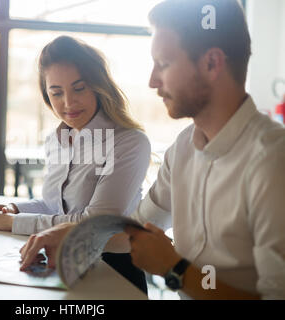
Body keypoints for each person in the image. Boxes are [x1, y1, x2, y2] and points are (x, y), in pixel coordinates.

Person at [19, 0, 285, 300]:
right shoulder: (183, 149)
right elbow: (129, 233)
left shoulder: (273, 161)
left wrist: (175, 269)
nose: (152, 80)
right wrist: (71, 233)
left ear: (211, 63)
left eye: (164, 63)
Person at [0, 36, 151, 292]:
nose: (68, 103)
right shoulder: (57, 139)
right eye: (56, 93)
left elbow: (94, 223)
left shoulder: (129, 142)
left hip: (112, 272)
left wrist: (15, 223)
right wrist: (12, 207)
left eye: (79, 89)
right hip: (57, 263)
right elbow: (52, 205)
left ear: (98, 86)